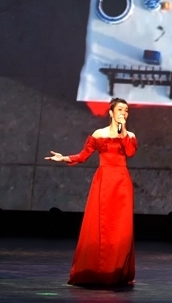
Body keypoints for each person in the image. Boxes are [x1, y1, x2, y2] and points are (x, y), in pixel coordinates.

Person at [45, 97, 137, 286]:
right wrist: (64, 158)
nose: (124, 113)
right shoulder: (99, 134)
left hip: (121, 183)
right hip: (104, 181)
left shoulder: (130, 135)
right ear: (111, 112)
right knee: (100, 224)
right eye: (120, 110)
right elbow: (83, 155)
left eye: (126, 110)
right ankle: (97, 269)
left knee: (120, 227)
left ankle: (116, 270)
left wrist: (123, 131)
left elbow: (130, 152)